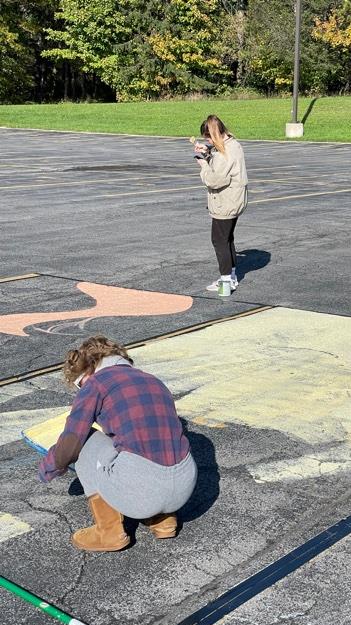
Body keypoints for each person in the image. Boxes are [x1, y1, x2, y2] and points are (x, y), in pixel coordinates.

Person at [38, 335, 197, 552]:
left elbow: (71, 441)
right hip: (184, 487)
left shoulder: (96, 383)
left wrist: (48, 468)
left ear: (90, 369)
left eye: (79, 384)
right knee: (146, 441)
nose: (80, 390)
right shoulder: (152, 380)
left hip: (144, 492)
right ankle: (163, 521)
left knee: (87, 439)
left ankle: (109, 532)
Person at [195, 114, 248, 293]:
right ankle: (231, 278)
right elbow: (223, 167)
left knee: (219, 241)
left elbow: (215, 179)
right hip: (234, 201)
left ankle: (225, 282)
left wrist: (202, 162)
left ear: (214, 134)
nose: (208, 141)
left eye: (208, 138)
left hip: (225, 202)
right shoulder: (232, 144)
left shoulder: (225, 152)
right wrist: (209, 153)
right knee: (227, 239)